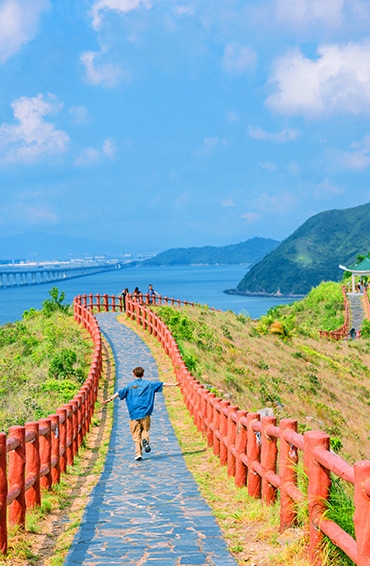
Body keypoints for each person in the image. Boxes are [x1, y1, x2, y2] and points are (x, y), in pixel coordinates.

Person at [104, 366, 181, 461]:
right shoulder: (149, 384)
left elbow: (119, 393)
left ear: (133, 374)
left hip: (134, 414)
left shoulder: (129, 386)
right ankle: (145, 440)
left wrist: (110, 399)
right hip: (145, 413)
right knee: (145, 430)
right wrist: (174, 384)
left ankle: (138, 454)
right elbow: (161, 384)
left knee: (136, 434)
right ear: (143, 374)